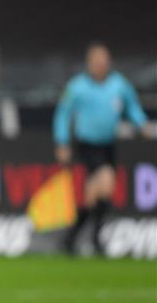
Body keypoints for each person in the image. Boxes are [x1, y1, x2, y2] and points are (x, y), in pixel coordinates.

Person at [53, 42, 149, 255]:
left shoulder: (119, 85)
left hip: (108, 145)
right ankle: (96, 240)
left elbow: (132, 107)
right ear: (89, 63)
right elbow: (63, 114)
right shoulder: (77, 87)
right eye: (96, 61)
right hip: (87, 144)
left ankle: (71, 238)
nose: (100, 65)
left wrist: (141, 125)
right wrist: (62, 142)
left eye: (104, 61)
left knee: (94, 195)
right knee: (105, 182)